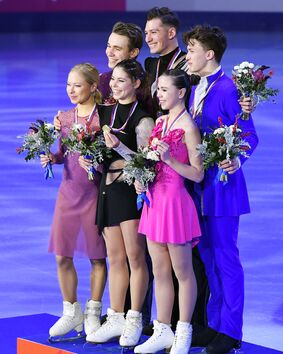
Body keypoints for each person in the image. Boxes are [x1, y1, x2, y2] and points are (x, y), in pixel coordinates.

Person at [183, 25, 259, 354]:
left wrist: (236, 159)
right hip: (198, 186)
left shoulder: (229, 89)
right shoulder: (194, 87)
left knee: (226, 258)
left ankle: (231, 331)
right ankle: (214, 325)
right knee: (208, 257)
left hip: (224, 187)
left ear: (209, 54)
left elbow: (249, 136)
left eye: (191, 50)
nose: (187, 56)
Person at [84, 59, 155, 348]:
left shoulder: (143, 118)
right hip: (107, 190)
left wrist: (120, 148)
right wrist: (89, 158)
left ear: (136, 84)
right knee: (114, 258)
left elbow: (147, 164)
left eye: (122, 80)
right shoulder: (105, 112)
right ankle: (116, 317)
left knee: (135, 258)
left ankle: (135, 318)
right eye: (113, 80)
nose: (114, 85)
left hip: (130, 191)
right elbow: (102, 155)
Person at [133, 69, 204, 354]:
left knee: (182, 272)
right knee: (160, 271)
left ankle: (183, 331)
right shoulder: (160, 122)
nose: (158, 94)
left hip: (175, 204)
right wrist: (141, 178)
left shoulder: (189, 128)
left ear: (181, 92)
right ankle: (162, 329)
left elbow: (198, 174)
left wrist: (169, 159)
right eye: (158, 89)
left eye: (163, 89)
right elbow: (151, 164)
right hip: (154, 202)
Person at [40, 63, 107, 341]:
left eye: (77, 85)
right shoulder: (64, 118)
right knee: (62, 255)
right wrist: (51, 158)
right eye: (68, 84)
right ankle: (71, 311)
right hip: (68, 194)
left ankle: (93, 312)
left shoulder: (103, 119)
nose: (71, 90)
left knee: (97, 257)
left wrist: (96, 163)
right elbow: (63, 152)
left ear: (93, 87)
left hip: (93, 194)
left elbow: (109, 160)